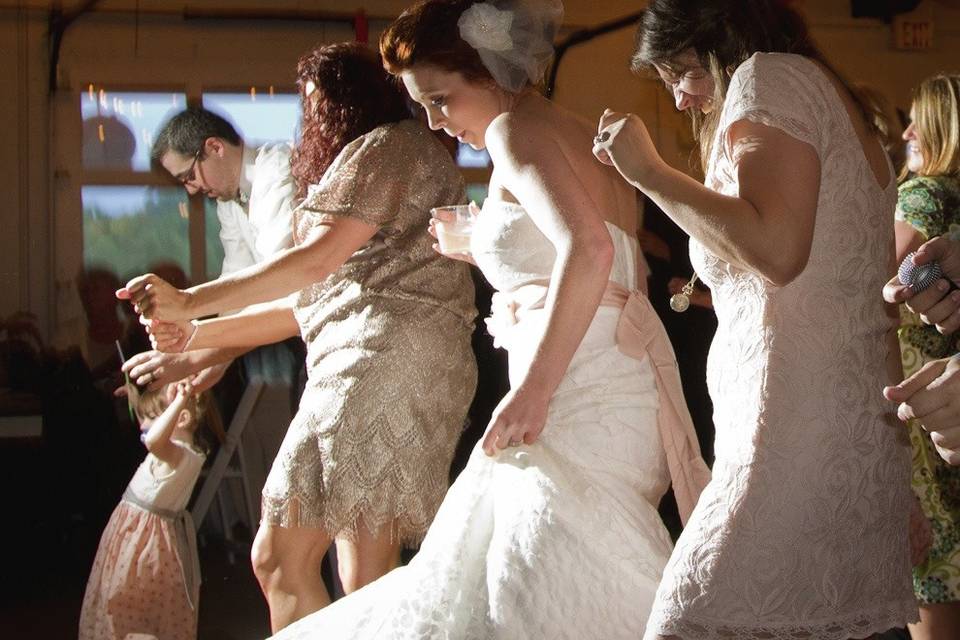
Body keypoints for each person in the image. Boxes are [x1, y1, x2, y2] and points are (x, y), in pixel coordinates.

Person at [263, 1, 709, 638]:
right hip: (615, 383)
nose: (436, 122)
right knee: (535, 583)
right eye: (423, 106)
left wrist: (533, 392)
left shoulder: (513, 132)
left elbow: (592, 250)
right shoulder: (571, 129)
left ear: (489, 72)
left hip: (576, 394)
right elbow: (609, 258)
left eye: (441, 99)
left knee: (516, 582)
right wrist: (485, 246)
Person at [119, 42, 478, 632]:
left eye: (316, 106)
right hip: (352, 358)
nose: (308, 122)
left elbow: (308, 269)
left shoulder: (387, 146)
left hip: (384, 357)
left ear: (348, 101)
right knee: (314, 566)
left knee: (341, 569)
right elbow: (305, 303)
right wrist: (190, 343)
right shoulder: (368, 160)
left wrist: (189, 307)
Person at [592, 0, 915, 637]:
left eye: (678, 75)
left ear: (718, 38)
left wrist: (648, 172)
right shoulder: (826, 91)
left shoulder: (771, 77)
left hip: (790, 429)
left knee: (692, 620)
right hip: (838, 427)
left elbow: (776, 250)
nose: (682, 101)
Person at [132, 106, 297, 392]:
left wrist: (196, 353)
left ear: (215, 147)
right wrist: (210, 363)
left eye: (188, 176)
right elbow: (234, 290)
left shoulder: (276, 171)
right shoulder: (228, 201)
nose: (192, 190)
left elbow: (280, 287)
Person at [889, 73, 960, 640]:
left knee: (932, 564)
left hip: (924, 396)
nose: (906, 131)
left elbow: (873, 276)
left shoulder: (922, 194)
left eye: (917, 119)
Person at [79, 378, 215, 640]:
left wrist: (176, 403)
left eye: (151, 417)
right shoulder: (175, 450)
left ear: (181, 418)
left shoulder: (180, 454)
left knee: (132, 607)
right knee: (122, 603)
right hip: (132, 537)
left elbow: (153, 440)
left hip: (144, 545)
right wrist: (135, 397)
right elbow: (154, 434)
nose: (142, 425)